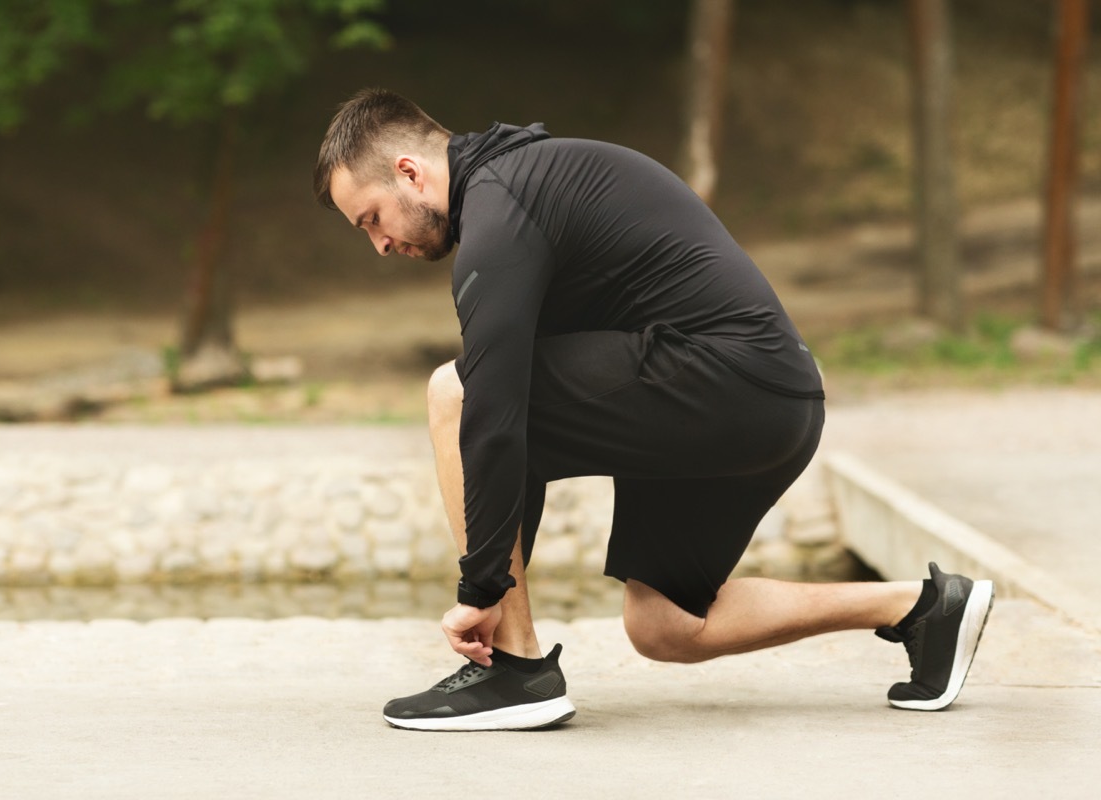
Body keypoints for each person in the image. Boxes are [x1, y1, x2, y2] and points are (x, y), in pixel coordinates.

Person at [312, 88, 994, 731]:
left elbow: (488, 416)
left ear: (410, 173)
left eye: (372, 218)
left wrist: (483, 589)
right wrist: (494, 576)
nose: (378, 244)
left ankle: (515, 672)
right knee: (666, 626)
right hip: (772, 401)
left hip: (727, 382)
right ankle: (925, 608)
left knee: (453, 393)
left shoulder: (503, 204)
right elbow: (517, 436)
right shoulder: (518, 198)